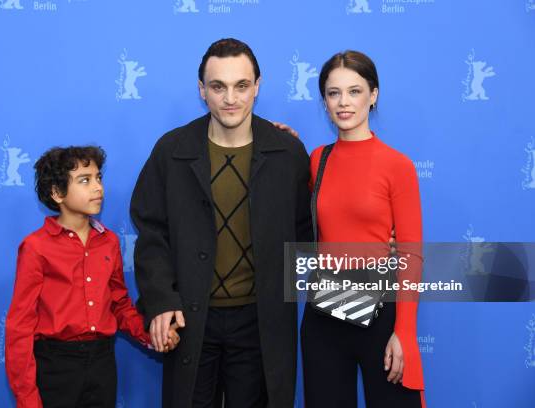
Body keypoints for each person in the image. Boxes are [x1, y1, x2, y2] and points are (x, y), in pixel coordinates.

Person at [130, 38, 312, 407]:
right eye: (218, 87)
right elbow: (151, 234)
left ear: (258, 86)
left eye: (241, 86)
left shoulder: (287, 153)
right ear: (202, 90)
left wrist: (376, 259)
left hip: (260, 325)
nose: (231, 98)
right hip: (191, 322)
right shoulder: (172, 151)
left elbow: (307, 234)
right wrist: (160, 299)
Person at [5, 146, 180, 408]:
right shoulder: (36, 247)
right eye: (84, 180)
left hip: (102, 362)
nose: (97, 187)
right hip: (56, 366)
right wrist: (27, 398)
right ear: (57, 193)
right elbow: (20, 325)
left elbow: (119, 305)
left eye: (98, 178)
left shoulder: (108, 241)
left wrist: (151, 335)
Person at [300, 51, 426, 407]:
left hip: (382, 316)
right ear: (324, 100)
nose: (343, 102)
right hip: (325, 313)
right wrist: (276, 140)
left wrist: (403, 332)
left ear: (373, 95)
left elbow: (411, 254)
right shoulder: (316, 159)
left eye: (354, 91)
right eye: (333, 92)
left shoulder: (397, 166)